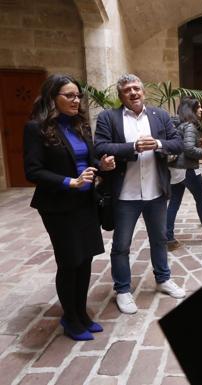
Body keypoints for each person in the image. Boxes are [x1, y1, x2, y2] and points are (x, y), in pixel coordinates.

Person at [23, 74, 116, 340]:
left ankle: (81, 313)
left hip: (84, 203)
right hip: (58, 206)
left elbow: (89, 159)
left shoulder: (80, 125)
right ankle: (70, 318)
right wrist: (70, 182)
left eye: (78, 96)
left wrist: (102, 166)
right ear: (53, 97)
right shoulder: (36, 128)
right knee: (69, 261)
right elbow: (33, 171)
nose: (76, 100)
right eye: (70, 96)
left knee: (85, 259)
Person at [94, 74, 185, 314]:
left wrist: (157, 144)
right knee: (121, 245)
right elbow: (101, 146)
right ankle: (123, 290)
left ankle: (163, 279)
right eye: (127, 90)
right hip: (125, 195)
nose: (133, 93)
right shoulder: (108, 118)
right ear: (120, 95)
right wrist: (132, 147)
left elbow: (177, 143)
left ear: (143, 91)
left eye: (136, 88)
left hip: (156, 192)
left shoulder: (160, 116)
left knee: (159, 239)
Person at [165, 97, 202, 251]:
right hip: (188, 170)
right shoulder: (190, 127)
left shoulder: (177, 124)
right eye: (198, 107)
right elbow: (189, 149)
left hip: (175, 169)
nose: (201, 110)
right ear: (191, 110)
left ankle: (168, 238)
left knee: (174, 203)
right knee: (201, 201)